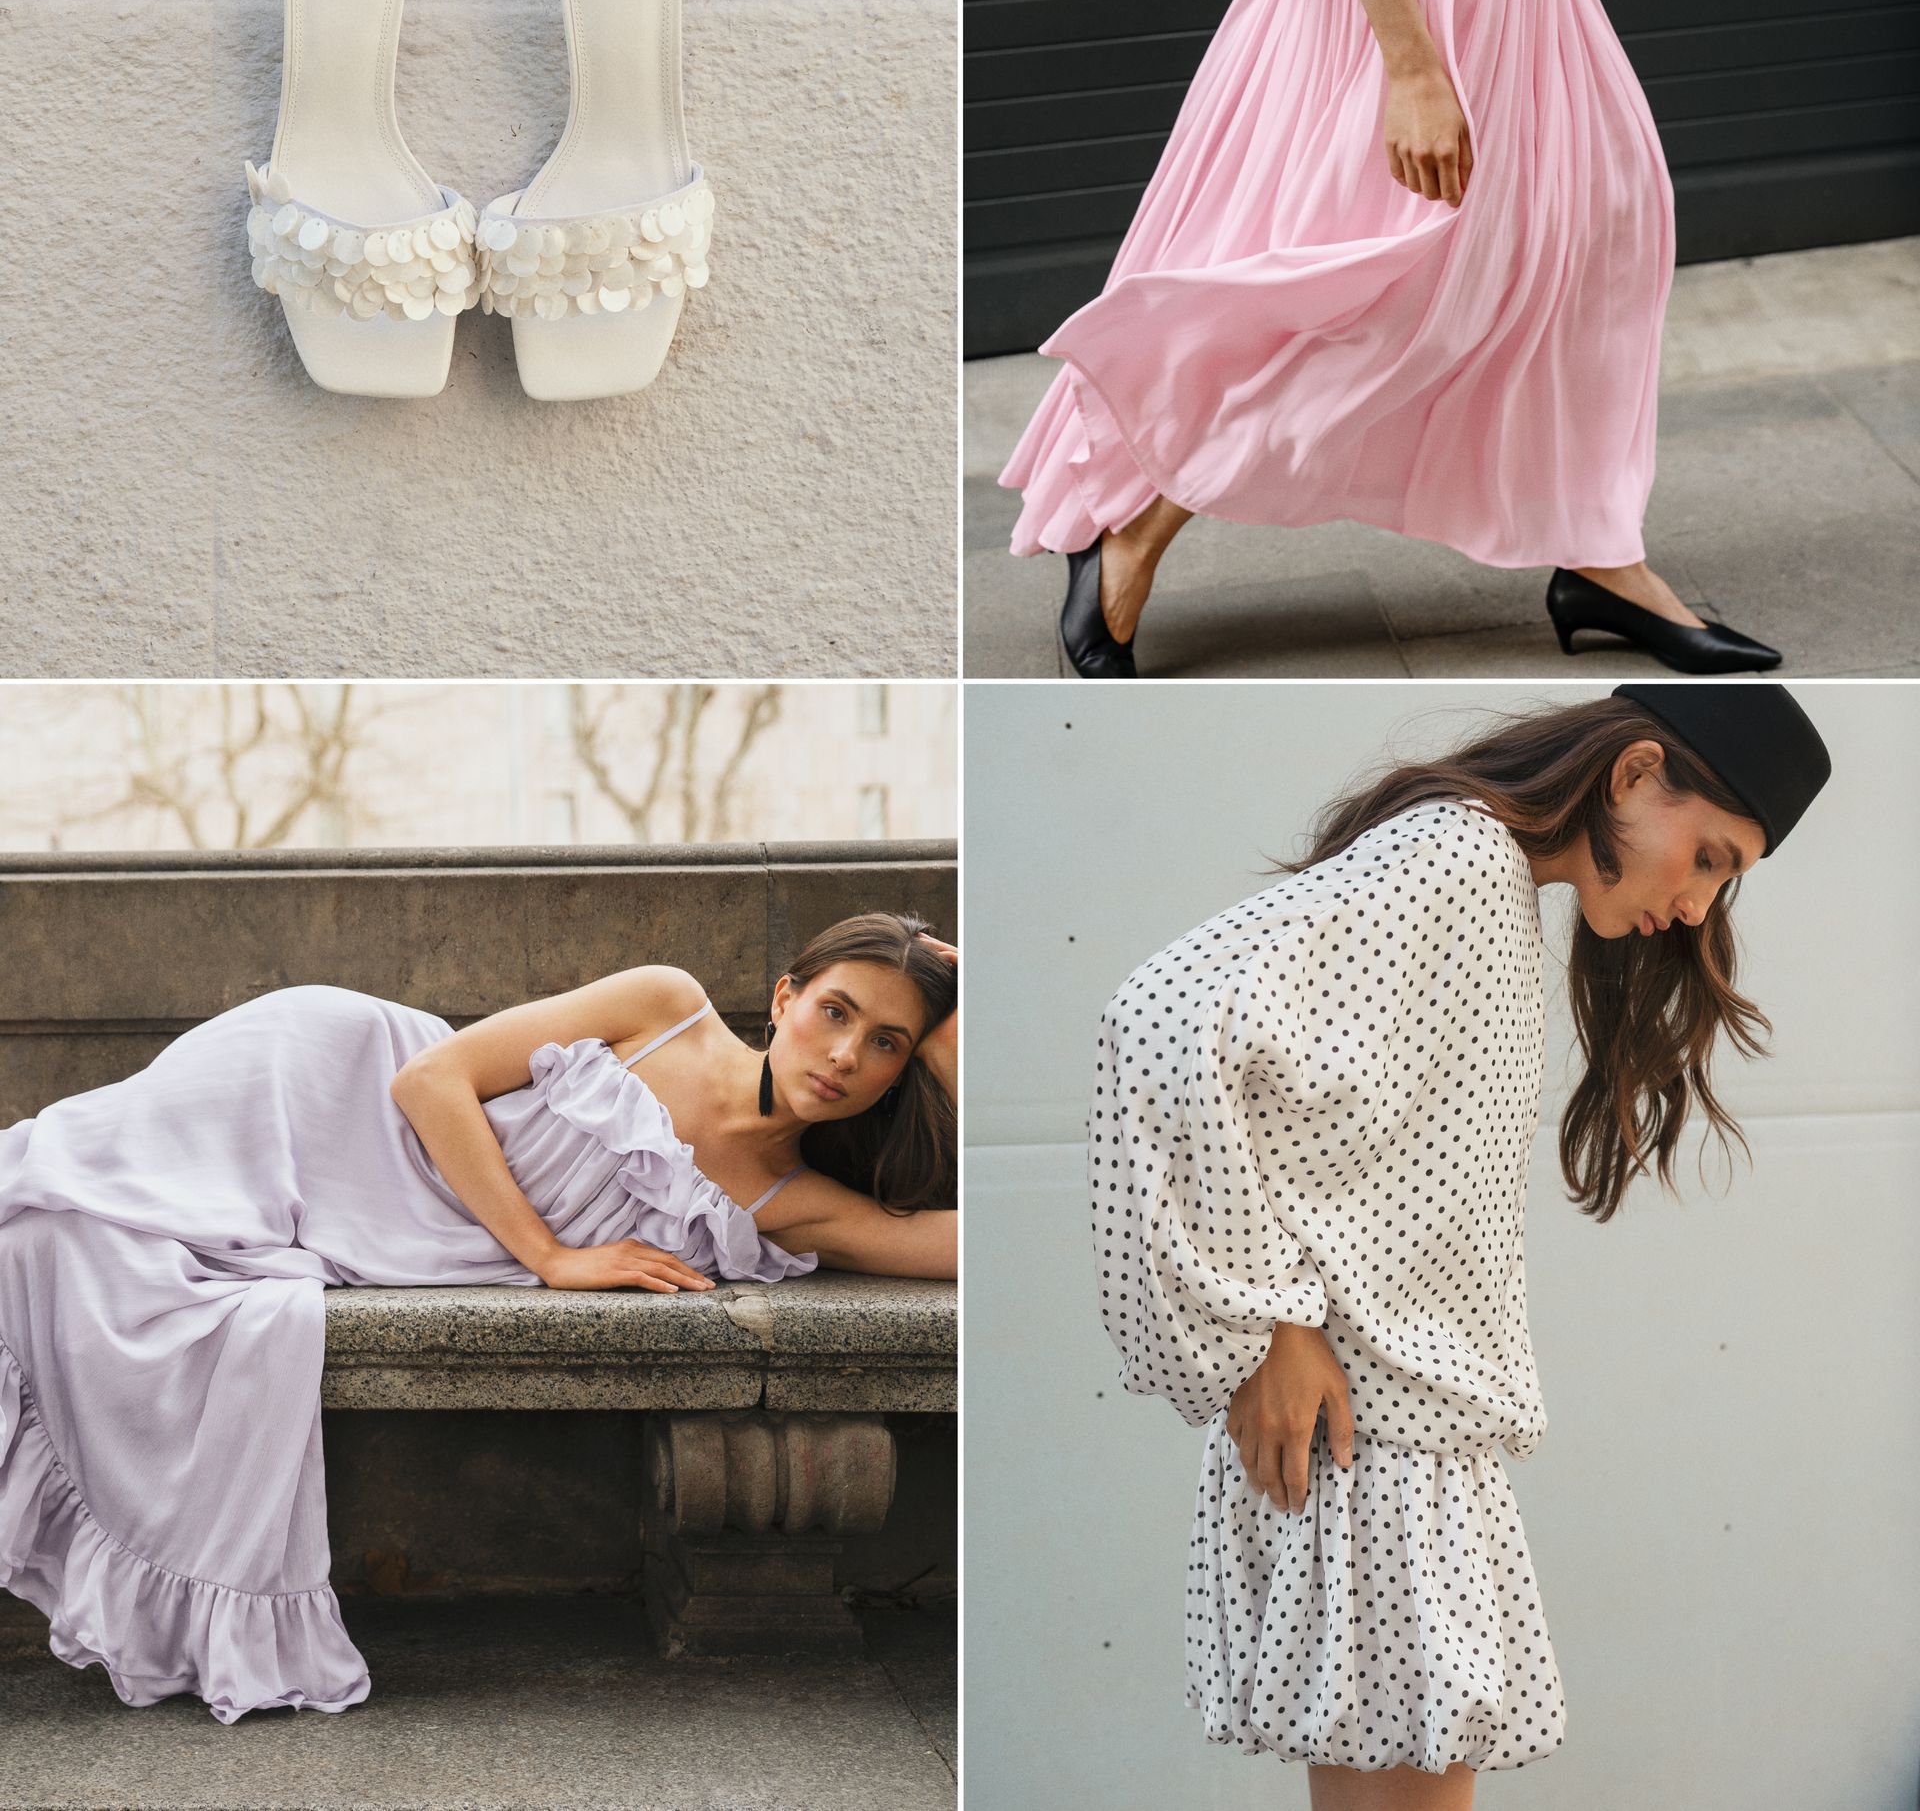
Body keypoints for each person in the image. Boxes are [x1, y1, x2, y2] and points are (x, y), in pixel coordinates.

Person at [999, 0, 1782, 680]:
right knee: (1387, 274)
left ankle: (1594, 549)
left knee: (1601, 221)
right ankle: (1135, 522)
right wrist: (1411, 66)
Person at [1088, 685, 1829, 1798]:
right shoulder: (1457, 863)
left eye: (1725, 877)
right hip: (1383, 1449)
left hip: (1392, 1444)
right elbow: (1156, 1018)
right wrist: (1268, 1325)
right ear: (1633, 776)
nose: (1699, 903)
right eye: (1711, 856)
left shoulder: (1479, 874)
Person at [0, 911, 956, 1724]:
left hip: (380, 1216)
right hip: (324, 1087)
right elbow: (428, 1082)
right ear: (785, 999)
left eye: (887, 1044)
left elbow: (974, 1243)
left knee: (56, 1250)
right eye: (836, 1012)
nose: (844, 1055)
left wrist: (960, 1041)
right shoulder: (669, 1008)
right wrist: (551, 1259)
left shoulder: (790, 1199)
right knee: (50, 1198)